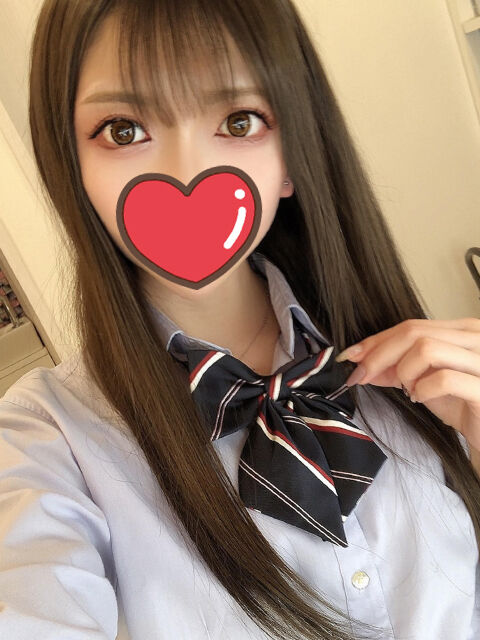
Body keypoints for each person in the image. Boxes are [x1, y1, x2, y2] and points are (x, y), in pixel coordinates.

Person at [0, 0, 479, 638]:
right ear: (72, 167)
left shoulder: (418, 366)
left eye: (239, 120)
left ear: (292, 158)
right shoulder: (44, 441)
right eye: (123, 130)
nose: (186, 173)